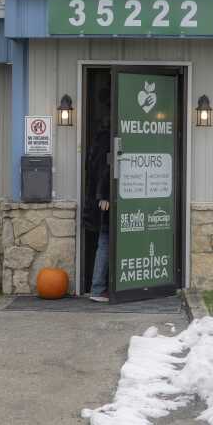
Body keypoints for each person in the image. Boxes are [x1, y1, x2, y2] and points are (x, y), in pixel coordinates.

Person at [85, 92, 112, 302]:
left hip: (101, 199)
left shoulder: (100, 138)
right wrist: (104, 195)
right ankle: (98, 287)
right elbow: (104, 168)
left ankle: (100, 286)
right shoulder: (107, 140)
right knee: (106, 240)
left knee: (106, 241)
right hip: (106, 202)